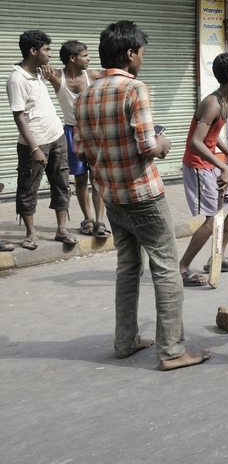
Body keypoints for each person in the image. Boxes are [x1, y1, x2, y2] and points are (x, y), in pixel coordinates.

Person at [75, 20, 209, 370]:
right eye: (142, 53)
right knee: (166, 268)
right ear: (130, 53)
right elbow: (148, 146)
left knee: (128, 267)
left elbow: (81, 151)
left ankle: (125, 341)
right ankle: (172, 351)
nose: (143, 59)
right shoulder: (134, 88)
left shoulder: (84, 95)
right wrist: (164, 143)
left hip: (111, 195)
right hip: (143, 194)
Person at [177, 53, 228, 287]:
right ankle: (181, 269)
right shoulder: (212, 103)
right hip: (198, 166)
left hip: (212, 165)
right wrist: (223, 167)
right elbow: (195, 142)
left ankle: (216, 258)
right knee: (211, 220)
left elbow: (212, 134)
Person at [5, 30, 76, 251]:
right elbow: (19, 117)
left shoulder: (39, 72)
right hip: (34, 144)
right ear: (33, 51)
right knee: (28, 189)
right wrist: (35, 148)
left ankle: (62, 229)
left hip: (56, 137)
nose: (50, 54)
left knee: (61, 183)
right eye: (47, 49)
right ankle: (31, 233)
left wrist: (48, 72)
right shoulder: (17, 79)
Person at [43, 40, 109, 237]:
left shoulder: (93, 75)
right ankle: (88, 220)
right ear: (72, 58)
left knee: (97, 178)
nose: (89, 59)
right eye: (85, 55)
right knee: (80, 179)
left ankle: (100, 222)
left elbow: (117, 73)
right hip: (71, 133)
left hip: (94, 132)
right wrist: (44, 65)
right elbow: (33, 67)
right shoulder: (57, 76)